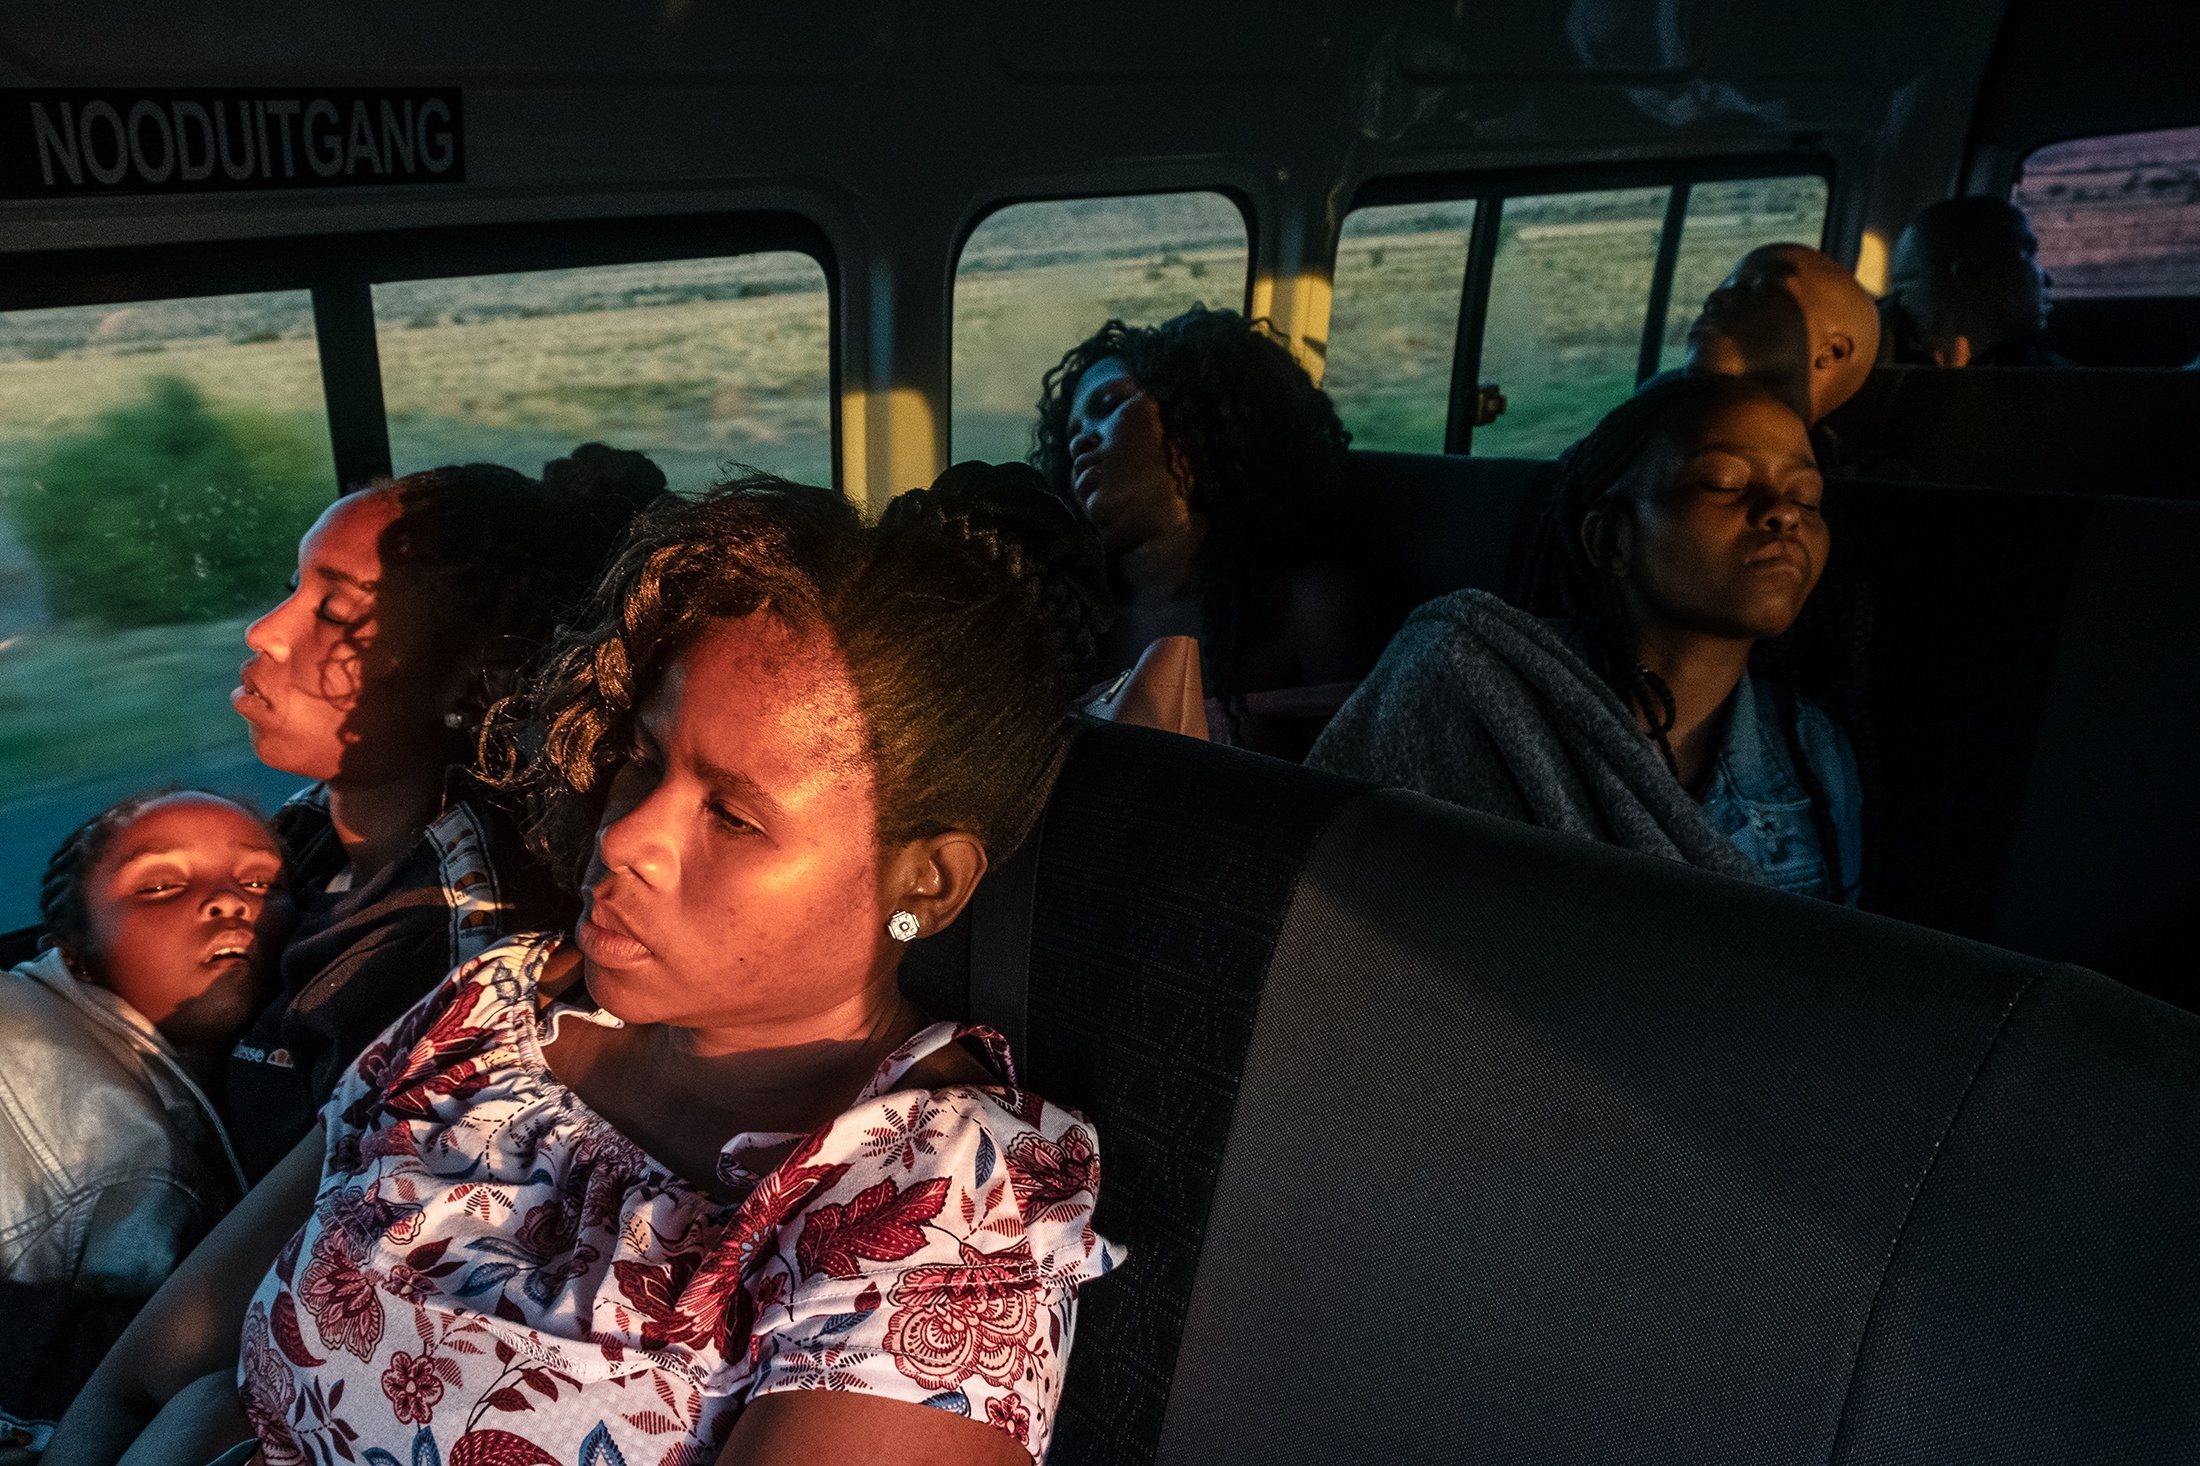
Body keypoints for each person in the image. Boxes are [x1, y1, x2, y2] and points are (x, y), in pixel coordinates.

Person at [49, 467, 1120, 1466]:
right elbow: (149, 1377)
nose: (626, 836)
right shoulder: (480, 1015)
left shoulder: (932, 1209)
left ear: (924, 883)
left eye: (734, 815)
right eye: (643, 759)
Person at [223, 446, 666, 1184]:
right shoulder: (305, 832)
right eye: (290, 587)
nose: (263, 631)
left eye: (333, 611)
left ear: (472, 678)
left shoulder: (448, 953)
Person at [1311, 376, 1865, 904]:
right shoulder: (1464, 678)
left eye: (1807, 498)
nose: (1783, 514)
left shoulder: (1815, 754)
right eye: (1722, 483)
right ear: (1609, 540)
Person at [0, 792, 292, 1434]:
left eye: (259, 881)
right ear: (71, 951)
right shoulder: (135, 1170)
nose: (228, 900)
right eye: (159, 886)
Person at [1033, 306, 1386, 759]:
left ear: (1201, 417)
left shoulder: (1309, 606)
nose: (1081, 441)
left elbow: (1361, 794)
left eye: (1108, 406)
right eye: (1072, 434)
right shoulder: (1071, 627)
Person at [1657, 243, 1883, 427]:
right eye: (1726, 285)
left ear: (1832, 351)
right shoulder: (1646, 424)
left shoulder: (1847, 480)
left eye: (1760, 287)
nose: (1715, 297)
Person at [1885, 196, 2061, 368]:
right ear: (1970, 276)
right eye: (2029, 255)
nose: (2047, 279)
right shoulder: (2056, 389)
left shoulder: (1875, 368)